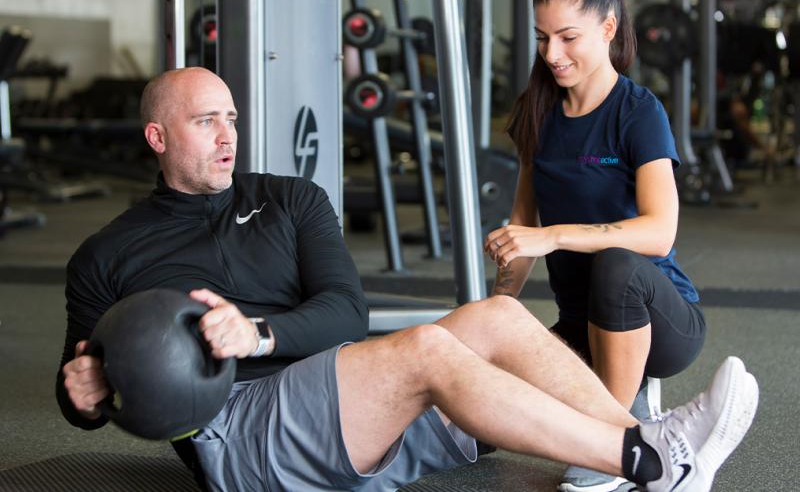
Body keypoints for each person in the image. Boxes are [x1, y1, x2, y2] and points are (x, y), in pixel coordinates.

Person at [58, 67, 757, 492]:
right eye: (205, 121)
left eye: (231, 118)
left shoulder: (291, 199)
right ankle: (649, 459)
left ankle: (643, 443)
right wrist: (86, 396)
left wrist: (258, 333)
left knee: (497, 317)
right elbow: (82, 390)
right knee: (426, 349)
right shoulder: (106, 255)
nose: (227, 135)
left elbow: (345, 313)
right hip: (243, 439)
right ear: (157, 138)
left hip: (345, 403)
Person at [483, 0, 705, 490]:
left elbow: (660, 232)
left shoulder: (638, 111)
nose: (551, 54)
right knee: (479, 409)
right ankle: (627, 398)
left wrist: (555, 235)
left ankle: (615, 439)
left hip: (660, 321)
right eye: (542, 38)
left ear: (608, 28)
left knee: (616, 265)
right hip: (580, 327)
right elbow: (522, 225)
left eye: (567, 37)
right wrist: (497, 315)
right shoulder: (537, 109)